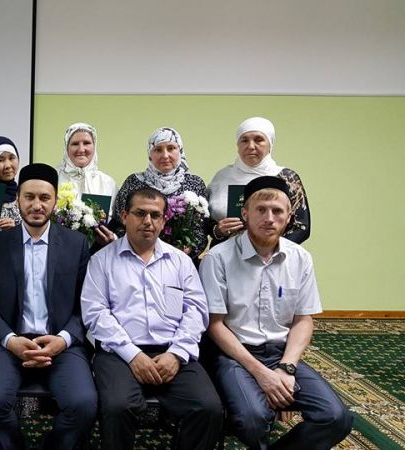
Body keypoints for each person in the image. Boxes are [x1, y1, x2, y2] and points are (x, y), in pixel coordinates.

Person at [200, 176, 352, 449]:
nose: (269, 218)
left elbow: (303, 320)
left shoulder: (300, 258)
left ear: (289, 217)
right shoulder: (218, 258)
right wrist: (262, 374)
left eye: (277, 211)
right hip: (236, 357)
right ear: (245, 213)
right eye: (261, 210)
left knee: (335, 418)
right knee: (252, 418)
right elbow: (215, 325)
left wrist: (286, 367)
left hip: (282, 355)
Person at [81, 187, 223, 450]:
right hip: (119, 353)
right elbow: (96, 313)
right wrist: (133, 355)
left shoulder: (180, 261)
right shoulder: (102, 261)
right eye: (140, 213)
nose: (148, 221)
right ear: (124, 217)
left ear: (164, 220)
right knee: (118, 406)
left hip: (172, 350)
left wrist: (176, 354)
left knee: (208, 408)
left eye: (156, 215)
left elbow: (195, 310)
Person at [0, 163, 98, 450]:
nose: (36, 205)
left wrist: (62, 340)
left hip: (60, 343)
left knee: (83, 404)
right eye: (29, 197)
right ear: (17, 199)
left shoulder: (77, 244)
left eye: (44, 198)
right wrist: (10, 340)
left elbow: (86, 304)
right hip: (7, 342)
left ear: (55, 202)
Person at [207, 117, 310, 246]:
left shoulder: (286, 178)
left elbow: (301, 227)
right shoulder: (222, 177)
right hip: (223, 254)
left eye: (258, 140)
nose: (251, 146)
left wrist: (267, 250)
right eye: (244, 140)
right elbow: (205, 222)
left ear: (270, 144)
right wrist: (218, 230)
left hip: (273, 256)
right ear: (237, 145)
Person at [108, 127, 208, 258]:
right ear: (150, 154)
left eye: (171, 148)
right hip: (136, 257)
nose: (165, 155)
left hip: (182, 259)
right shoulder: (133, 182)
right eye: (158, 150)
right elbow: (119, 223)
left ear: (180, 150)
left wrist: (189, 249)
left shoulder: (195, 183)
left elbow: (202, 228)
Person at [55, 122, 118, 247]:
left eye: (86, 143)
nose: (81, 149)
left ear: (94, 146)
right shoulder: (54, 178)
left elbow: (118, 222)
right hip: (59, 248)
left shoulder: (107, 182)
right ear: (66, 147)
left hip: (99, 250)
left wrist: (112, 237)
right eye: (75, 144)